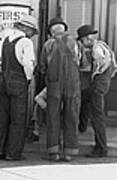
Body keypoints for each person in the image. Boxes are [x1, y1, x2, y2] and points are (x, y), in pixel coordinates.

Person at [39, 17, 81, 162]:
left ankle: (53, 152)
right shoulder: (75, 43)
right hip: (72, 84)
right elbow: (82, 63)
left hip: (54, 84)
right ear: (63, 28)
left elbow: (42, 67)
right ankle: (70, 152)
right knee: (72, 116)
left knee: (53, 116)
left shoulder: (48, 44)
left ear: (51, 30)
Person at [0, 14, 38, 160]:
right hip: (18, 83)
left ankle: (1, 150)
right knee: (18, 119)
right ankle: (13, 153)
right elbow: (28, 64)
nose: (33, 34)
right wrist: (28, 79)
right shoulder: (25, 42)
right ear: (27, 29)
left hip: (3, 81)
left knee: (2, 118)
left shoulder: (4, 40)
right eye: (32, 31)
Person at [77, 25, 117, 157]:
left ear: (87, 38)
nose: (82, 44)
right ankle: (81, 125)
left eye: (82, 41)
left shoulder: (96, 48)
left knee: (97, 117)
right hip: (102, 83)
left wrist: (97, 72)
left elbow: (101, 61)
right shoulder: (103, 45)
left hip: (98, 85)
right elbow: (114, 66)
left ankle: (101, 148)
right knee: (84, 97)